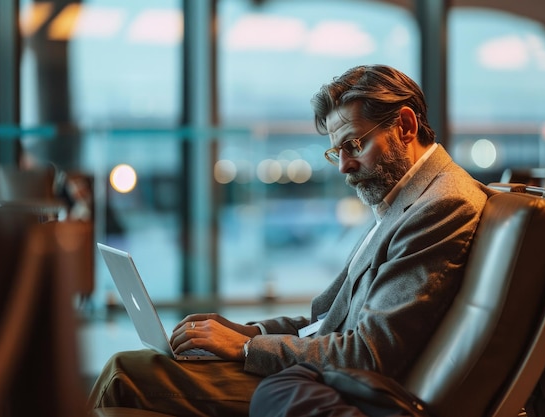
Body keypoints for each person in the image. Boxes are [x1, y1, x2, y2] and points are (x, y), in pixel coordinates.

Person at [88, 64, 496, 416]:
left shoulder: (443, 205)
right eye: (335, 152)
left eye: (353, 145)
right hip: (322, 370)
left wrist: (249, 350)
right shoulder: (406, 200)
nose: (343, 166)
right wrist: (247, 332)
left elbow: (370, 356)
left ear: (405, 126)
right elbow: (326, 321)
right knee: (128, 368)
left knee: (126, 374)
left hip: (345, 388)